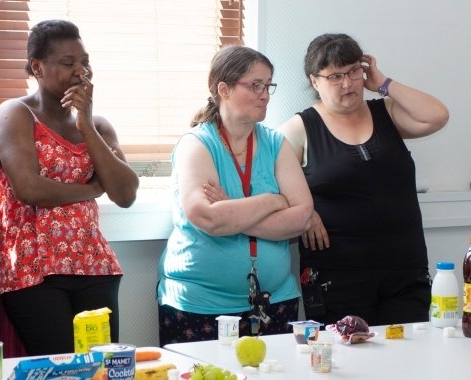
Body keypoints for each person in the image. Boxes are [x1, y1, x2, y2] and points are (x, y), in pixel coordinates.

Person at [0, 19, 139, 355]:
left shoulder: (97, 125)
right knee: (61, 369)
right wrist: (91, 189)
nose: (81, 71)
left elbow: (126, 193)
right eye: (68, 63)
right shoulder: (15, 113)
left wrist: (86, 125)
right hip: (33, 270)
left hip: (95, 266)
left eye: (85, 62)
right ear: (37, 67)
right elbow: (30, 189)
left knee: (101, 369)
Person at [277, 33, 449, 327]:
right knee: (348, 361)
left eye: (355, 71)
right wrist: (305, 212)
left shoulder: (387, 113)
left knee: (409, 357)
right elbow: (268, 182)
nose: (348, 83)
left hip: (404, 270)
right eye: (335, 76)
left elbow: (437, 116)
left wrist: (383, 83)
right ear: (315, 81)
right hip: (337, 275)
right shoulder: (299, 129)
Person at [157, 45, 314, 345]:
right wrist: (272, 202)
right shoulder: (197, 143)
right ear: (224, 89)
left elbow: (302, 216)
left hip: (273, 303)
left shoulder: (275, 144)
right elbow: (206, 216)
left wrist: (230, 209)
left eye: (268, 86)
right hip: (199, 307)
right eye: (255, 85)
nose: (265, 94)